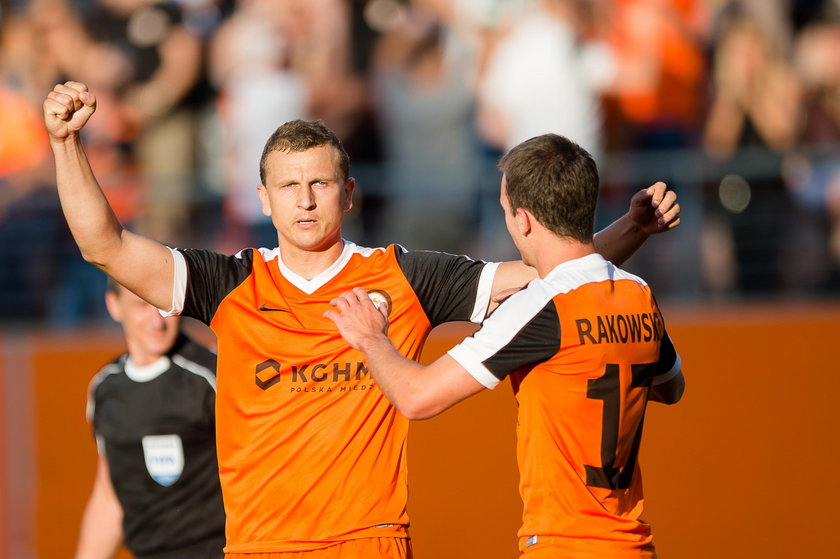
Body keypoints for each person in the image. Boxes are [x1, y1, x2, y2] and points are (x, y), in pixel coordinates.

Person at [44, 80, 680, 558]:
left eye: (320, 184)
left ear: (349, 193)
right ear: (262, 199)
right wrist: (65, 144)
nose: (304, 200)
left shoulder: (406, 275)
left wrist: (630, 229)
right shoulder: (230, 283)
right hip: (258, 546)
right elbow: (105, 246)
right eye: (288, 187)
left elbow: (554, 277)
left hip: (367, 542)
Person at [325, 133, 685, 558]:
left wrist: (370, 337)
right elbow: (670, 387)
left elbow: (416, 397)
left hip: (563, 545)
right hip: (634, 545)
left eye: (504, 211)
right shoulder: (637, 292)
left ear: (524, 219)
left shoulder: (539, 307)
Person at [75, 279, 224, 559]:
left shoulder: (213, 376)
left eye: (162, 306)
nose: (157, 321)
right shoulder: (106, 387)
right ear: (113, 305)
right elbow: (109, 494)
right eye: (142, 306)